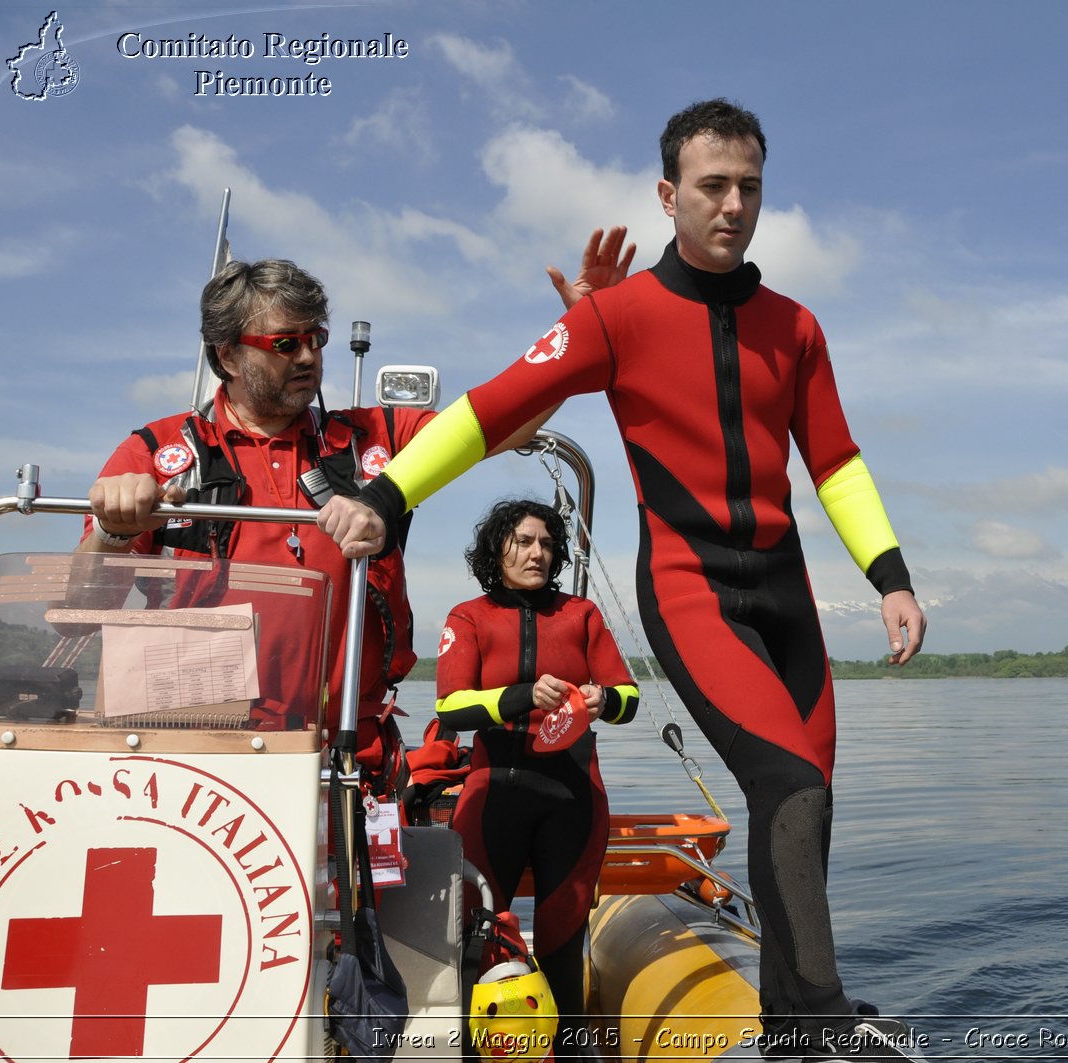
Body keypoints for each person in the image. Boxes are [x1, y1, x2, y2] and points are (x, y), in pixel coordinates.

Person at [320, 99, 929, 1062]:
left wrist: (888, 575)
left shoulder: (796, 326)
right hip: (691, 583)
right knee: (789, 778)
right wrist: (388, 494)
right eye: (712, 186)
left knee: (809, 800)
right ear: (668, 195)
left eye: (751, 188)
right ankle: (816, 1020)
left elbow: (837, 463)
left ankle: (788, 1015)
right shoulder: (619, 316)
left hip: (786, 592)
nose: (734, 206)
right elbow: (491, 407)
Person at [80, 232, 634, 732]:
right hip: (197, 746)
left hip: (348, 744)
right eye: (284, 344)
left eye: (316, 338)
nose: (309, 357)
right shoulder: (153, 455)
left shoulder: (376, 437)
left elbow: (505, 423)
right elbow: (73, 615)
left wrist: (583, 332)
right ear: (227, 354)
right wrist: (113, 532)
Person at [436, 497, 639, 1061]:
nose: (537, 553)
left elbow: (629, 696)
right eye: (524, 541)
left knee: (563, 939)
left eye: (547, 543)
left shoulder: (581, 615)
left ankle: (569, 1053)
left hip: (570, 791)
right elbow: (451, 708)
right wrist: (522, 697)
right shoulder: (468, 616)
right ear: (497, 547)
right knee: (481, 937)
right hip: (494, 788)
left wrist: (603, 698)